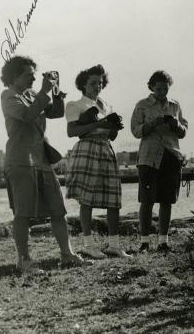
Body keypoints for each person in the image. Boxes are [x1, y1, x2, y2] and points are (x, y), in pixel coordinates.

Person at [0, 55, 87, 271]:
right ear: (14, 76)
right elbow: (27, 115)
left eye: (33, 74)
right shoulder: (8, 96)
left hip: (41, 160)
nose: (32, 78)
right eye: (28, 75)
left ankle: (67, 255)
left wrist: (56, 93)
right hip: (20, 161)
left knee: (58, 210)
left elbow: (56, 113)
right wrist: (44, 91)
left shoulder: (32, 94)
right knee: (23, 213)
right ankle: (24, 260)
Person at [65, 64, 131, 259]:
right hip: (87, 149)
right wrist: (101, 123)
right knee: (87, 199)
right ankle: (88, 244)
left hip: (105, 149)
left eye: (100, 83)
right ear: (83, 85)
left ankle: (114, 245)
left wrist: (114, 128)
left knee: (113, 198)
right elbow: (72, 132)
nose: (97, 86)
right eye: (93, 83)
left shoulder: (106, 105)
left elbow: (111, 136)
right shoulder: (75, 105)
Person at [131, 70, 188, 253]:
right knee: (147, 201)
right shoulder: (142, 105)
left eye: (166, 88)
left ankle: (163, 241)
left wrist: (176, 124)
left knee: (167, 200)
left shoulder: (175, 105)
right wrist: (153, 124)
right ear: (151, 87)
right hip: (149, 158)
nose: (162, 92)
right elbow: (135, 131)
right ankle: (145, 242)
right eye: (159, 89)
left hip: (171, 156)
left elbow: (184, 130)